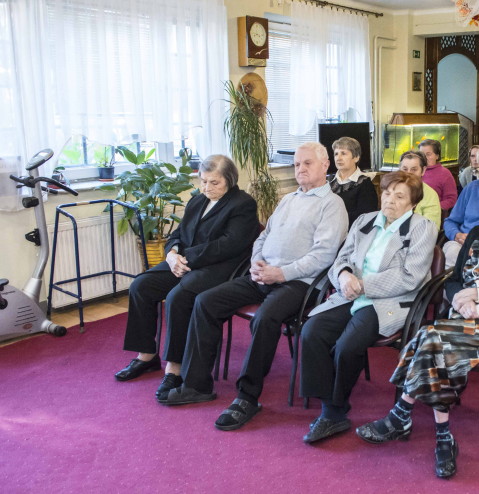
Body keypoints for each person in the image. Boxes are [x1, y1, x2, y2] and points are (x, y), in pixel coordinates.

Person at [356, 168, 479, 479]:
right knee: (437, 344)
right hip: (462, 315)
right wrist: (459, 298)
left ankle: (402, 417)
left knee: (430, 338)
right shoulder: (477, 233)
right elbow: (453, 280)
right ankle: (442, 437)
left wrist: (478, 293)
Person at [158, 142, 349, 430]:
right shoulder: (288, 200)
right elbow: (262, 237)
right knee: (206, 301)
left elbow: (323, 255)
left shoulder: (332, 205)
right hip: (262, 275)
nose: (301, 169)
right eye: (297, 164)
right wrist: (257, 263)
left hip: (299, 283)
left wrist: (280, 273)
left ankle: (247, 397)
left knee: (265, 318)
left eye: (308, 163)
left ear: (325, 166)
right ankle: (197, 384)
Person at [299, 171, 438, 443]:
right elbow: (342, 258)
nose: (390, 200)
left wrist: (363, 284)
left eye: (400, 196)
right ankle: (331, 406)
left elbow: (410, 276)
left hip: (388, 301)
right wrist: (343, 276)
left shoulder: (423, 227)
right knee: (312, 331)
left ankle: (334, 411)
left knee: (347, 346)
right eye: (387, 193)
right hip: (351, 293)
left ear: (413, 203)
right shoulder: (364, 221)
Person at [115, 155, 260, 397]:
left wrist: (186, 258)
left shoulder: (242, 204)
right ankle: (146, 355)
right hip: (184, 262)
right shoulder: (197, 200)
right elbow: (179, 233)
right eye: (203, 181)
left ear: (230, 180)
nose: (207, 188)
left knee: (177, 297)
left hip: (220, 268)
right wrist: (171, 254)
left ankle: (175, 369)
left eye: (215, 182)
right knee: (141, 285)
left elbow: (229, 245)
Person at [329, 136, 378, 226]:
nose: (338, 158)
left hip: (351, 235)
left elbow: (365, 218)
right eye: (336, 154)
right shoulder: (327, 182)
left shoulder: (365, 185)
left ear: (356, 158)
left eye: (343, 153)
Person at [398, 150, 442, 228]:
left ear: (423, 171)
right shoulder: (392, 190)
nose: (409, 174)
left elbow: (431, 228)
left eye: (414, 169)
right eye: (405, 169)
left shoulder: (430, 194)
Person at [420, 139, 458, 211]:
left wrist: (433, 208)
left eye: (428, 154)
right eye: (422, 154)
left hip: (434, 214)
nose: (424, 158)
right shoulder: (415, 171)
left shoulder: (445, 173)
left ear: (437, 156)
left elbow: (451, 200)